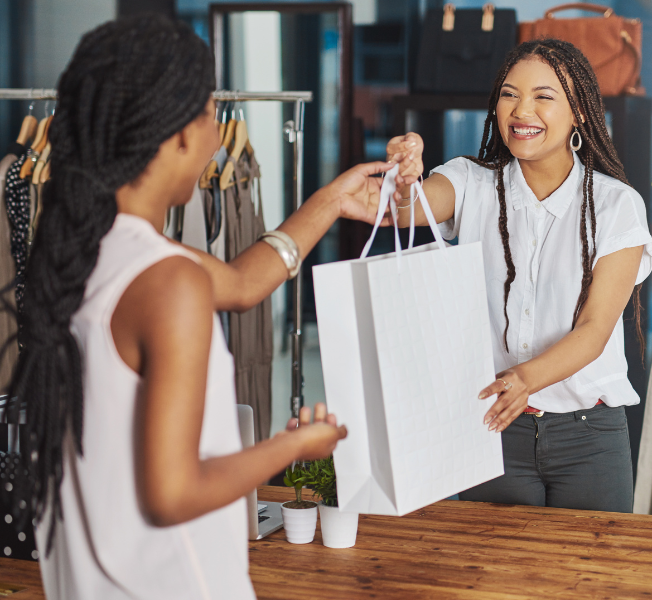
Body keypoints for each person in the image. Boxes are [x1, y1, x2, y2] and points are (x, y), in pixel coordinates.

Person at [2, 16, 400, 599]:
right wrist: (291, 449)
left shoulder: (82, 253)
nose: (218, 138)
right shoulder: (168, 281)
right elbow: (173, 493)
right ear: (177, 135)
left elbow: (241, 283)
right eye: (210, 115)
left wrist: (331, 202)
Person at [380, 39, 652, 513]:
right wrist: (403, 177)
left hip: (590, 436)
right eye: (510, 94)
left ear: (580, 114)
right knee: (493, 579)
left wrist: (521, 380)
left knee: (591, 582)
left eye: (543, 97)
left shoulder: (615, 205)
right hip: (495, 429)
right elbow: (406, 211)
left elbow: (593, 333)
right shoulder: (468, 181)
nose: (521, 109)